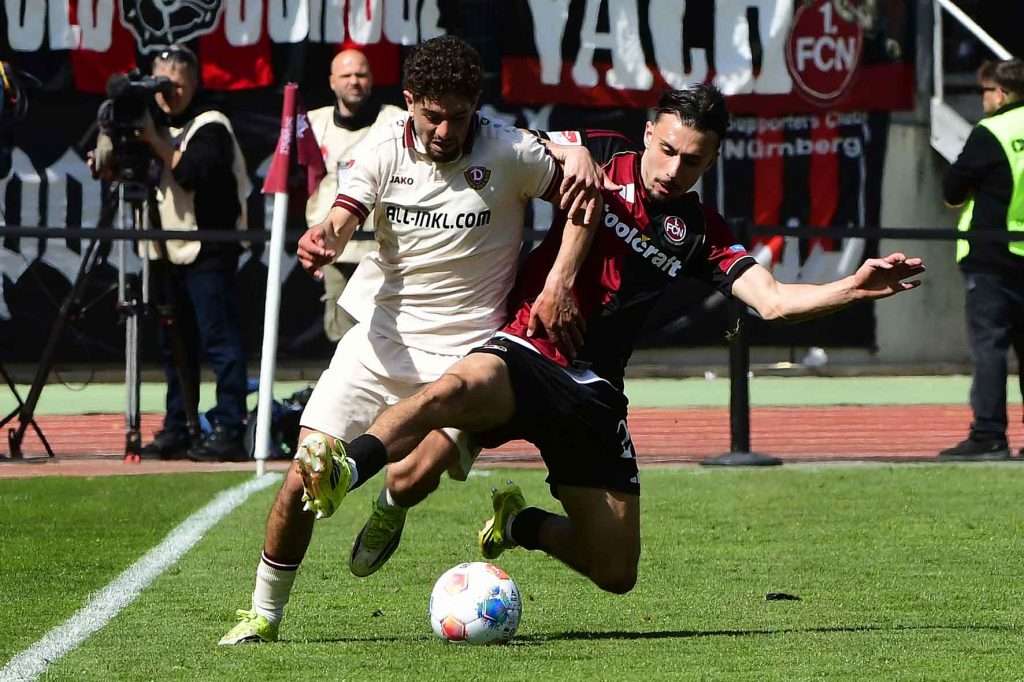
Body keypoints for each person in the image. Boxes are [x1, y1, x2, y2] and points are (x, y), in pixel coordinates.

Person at [304, 85, 926, 594]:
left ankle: (518, 524)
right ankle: (351, 469)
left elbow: (773, 301)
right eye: (668, 150)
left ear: (710, 163)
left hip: (592, 389)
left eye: (693, 161)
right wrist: (569, 154)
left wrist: (853, 286)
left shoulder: (700, 231)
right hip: (527, 346)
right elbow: (514, 144)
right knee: (425, 453)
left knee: (615, 573)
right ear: (648, 133)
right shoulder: (599, 152)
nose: (674, 169)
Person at [218, 35, 610, 645]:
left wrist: (559, 279)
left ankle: (390, 508)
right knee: (301, 479)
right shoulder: (380, 147)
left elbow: (587, 202)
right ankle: (263, 616)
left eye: (457, 116)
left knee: (410, 477)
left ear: (474, 106)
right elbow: (344, 214)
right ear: (409, 103)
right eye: (432, 115)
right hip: (379, 344)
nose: (443, 130)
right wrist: (324, 235)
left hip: (468, 354)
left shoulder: (509, 150)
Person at [134, 45, 252, 462]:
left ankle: (228, 425)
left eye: (178, 81)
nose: (170, 91)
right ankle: (179, 425)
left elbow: (189, 172)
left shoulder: (211, 125)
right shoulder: (147, 122)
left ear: (194, 82)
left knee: (218, 341)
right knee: (174, 345)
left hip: (208, 249)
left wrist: (154, 140)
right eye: (162, 81)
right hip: (163, 249)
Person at [939, 58, 1024, 462]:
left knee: (990, 348)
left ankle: (989, 434)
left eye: (985, 92)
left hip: (992, 258)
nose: (983, 99)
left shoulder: (992, 131)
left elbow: (953, 190)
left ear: (1002, 94)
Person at [306, 49, 404, 342]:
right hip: (334, 247)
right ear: (332, 82)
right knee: (340, 333)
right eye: (346, 75)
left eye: (361, 74)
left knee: (387, 331)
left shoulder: (396, 121)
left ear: (372, 80)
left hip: (385, 248)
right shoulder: (312, 124)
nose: (354, 81)